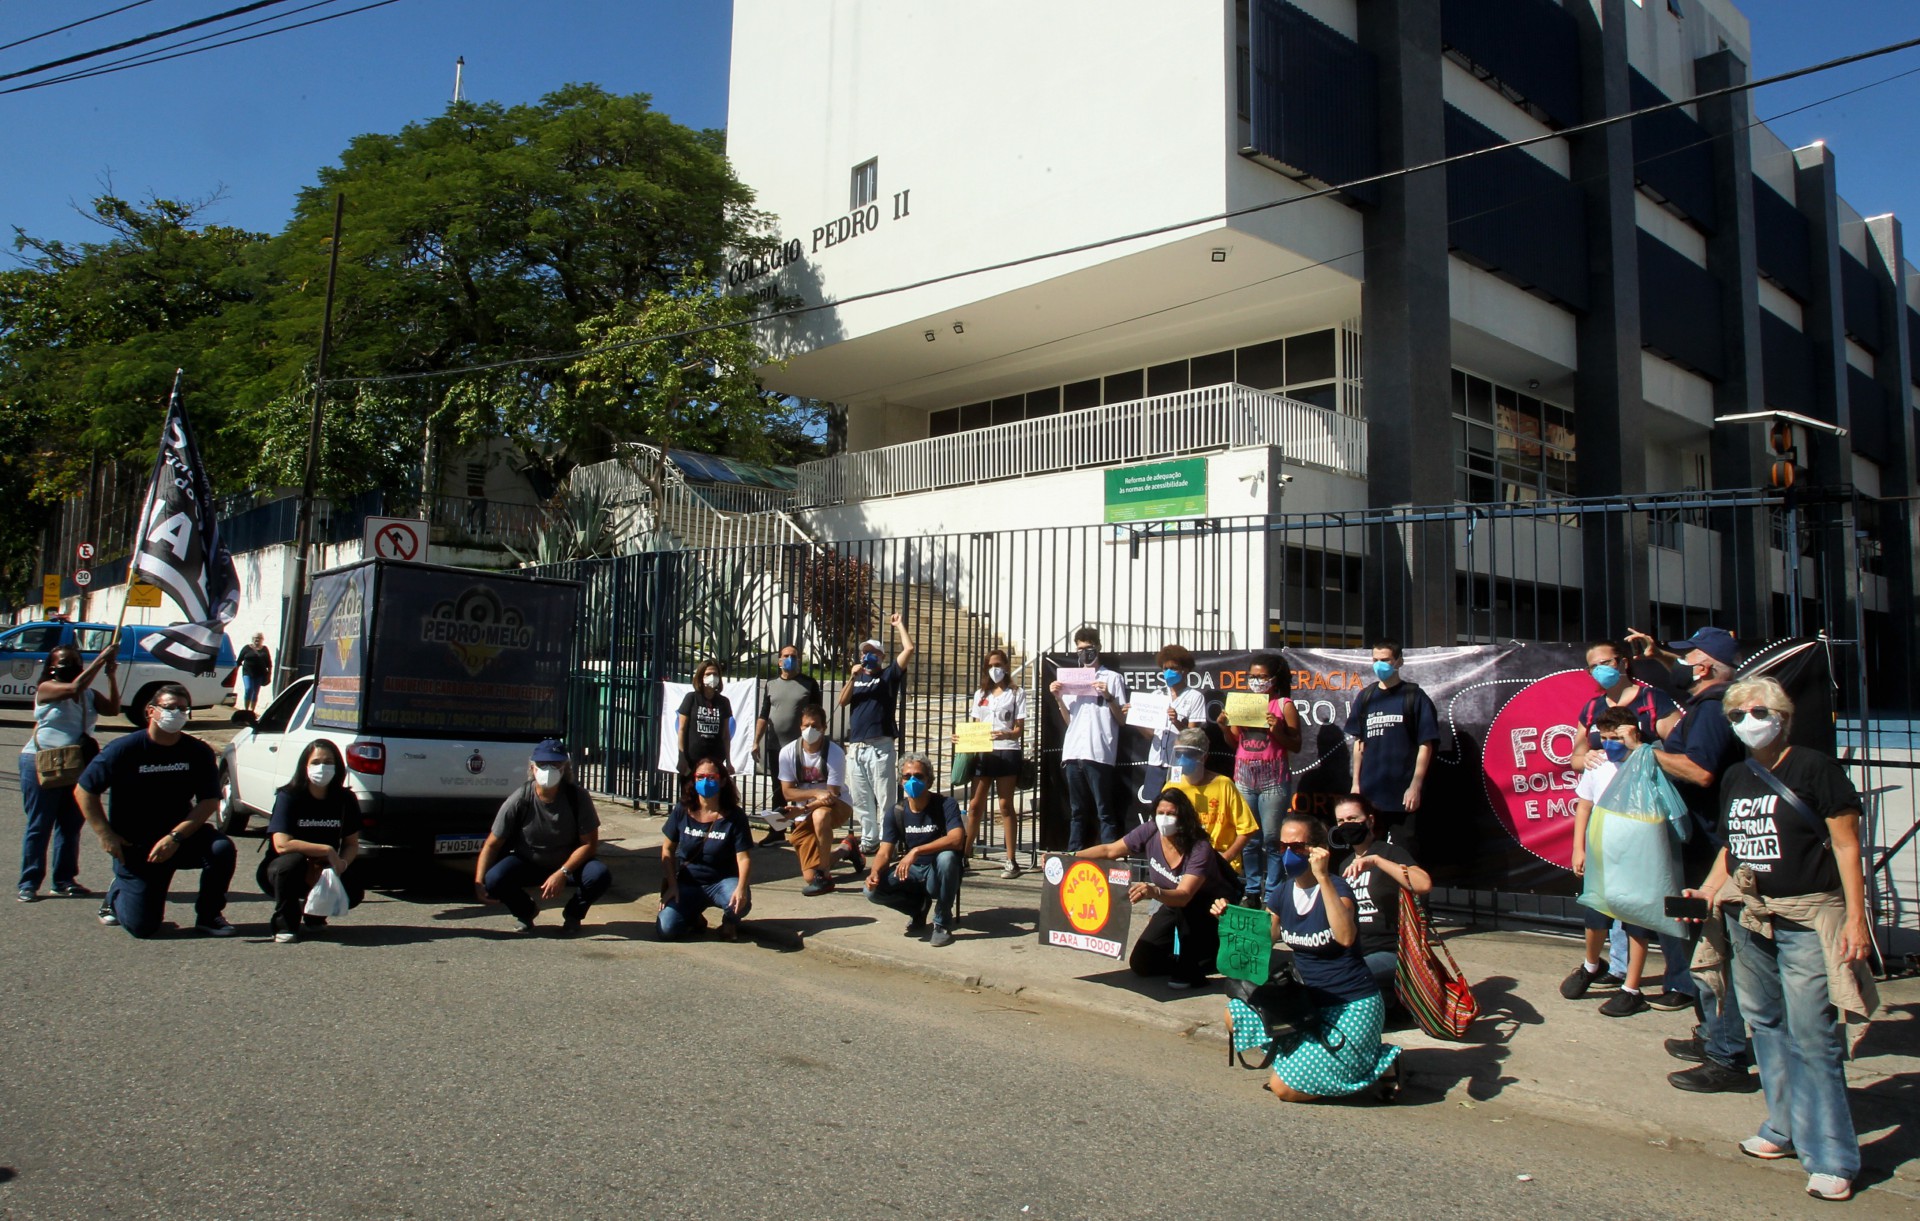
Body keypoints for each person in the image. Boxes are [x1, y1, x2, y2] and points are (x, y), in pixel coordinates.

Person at [1684, 676, 1874, 1203]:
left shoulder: (1815, 768)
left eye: (1758, 711)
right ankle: (1783, 1126)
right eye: (1737, 715)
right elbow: (1732, 847)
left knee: (1812, 1035)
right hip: (1749, 917)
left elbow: (1846, 846)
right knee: (1765, 1024)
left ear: (1783, 716)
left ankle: (1832, 1156)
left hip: (1807, 918)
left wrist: (1857, 919)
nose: (1748, 721)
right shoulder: (1736, 776)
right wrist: (1707, 891)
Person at [1633, 625, 1755, 1093]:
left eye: (1688, 658)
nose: (1680, 664)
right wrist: (1663, 656)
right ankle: (1711, 1034)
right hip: (1700, 843)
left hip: (1706, 849)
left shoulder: (1710, 710)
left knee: (1713, 949)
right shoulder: (1717, 700)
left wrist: (1644, 752)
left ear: (1703, 668)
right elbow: (1688, 675)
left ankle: (1726, 1053)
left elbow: (1700, 770)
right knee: (1698, 942)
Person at [1216, 814, 1400, 1103]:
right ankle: (1308, 1060)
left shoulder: (1337, 888)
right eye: (1283, 846)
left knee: (1283, 1089)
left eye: (1298, 846)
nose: (1288, 854)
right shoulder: (1282, 892)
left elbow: (1345, 936)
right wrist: (1230, 918)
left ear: (1318, 849)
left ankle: (1379, 1061)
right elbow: (1262, 940)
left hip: (1349, 1003)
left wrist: (1323, 877)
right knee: (1235, 1014)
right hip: (1305, 1003)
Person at [74, 684, 235, 938]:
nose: (177, 713)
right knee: (143, 927)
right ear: (151, 711)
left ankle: (209, 915)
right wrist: (105, 834)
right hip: (136, 845)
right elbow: (84, 791)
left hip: (178, 837)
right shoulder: (124, 749)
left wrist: (175, 837)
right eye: (170, 707)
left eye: (183, 709)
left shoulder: (198, 752)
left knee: (221, 849)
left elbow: (208, 800)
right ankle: (117, 894)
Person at [1079, 788, 1232, 989]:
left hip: (1206, 907)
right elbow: (1110, 850)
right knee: (1142, 963)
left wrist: (1153, 891)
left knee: (1189, 961)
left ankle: (1195, 964)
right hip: (1171, 902)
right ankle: (1189, 961)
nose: (1164, 818)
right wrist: (1068, 857)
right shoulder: (1150, 830)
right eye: (1161, 813)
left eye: (1171, 814)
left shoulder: (1199, 847)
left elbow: (1185, 895)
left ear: (1183, 817)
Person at [17, 641, 120, 903]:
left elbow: (113, 709)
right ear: (51, 667)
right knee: (40, 825)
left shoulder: (89, 694)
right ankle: (29, 882)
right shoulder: (47, 688)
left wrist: (111, 676)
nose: (70, 666)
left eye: (75, 662)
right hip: (42, 761)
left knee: (71, 825)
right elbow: (73, 688)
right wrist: (101, 659)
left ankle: (64, 880)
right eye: (64, 662)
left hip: (76, 762)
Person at [476, 740, 610, 935]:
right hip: (529, 862)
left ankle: (573, 915)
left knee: (599, 875)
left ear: (564, 768)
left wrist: (562, 872)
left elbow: (589, 844)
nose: (548, 770)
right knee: (494, 879)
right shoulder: (520, 799)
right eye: (542, 764)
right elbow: (492, 845)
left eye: (555, 764)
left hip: (568, 865)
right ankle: (526, 912)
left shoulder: (578, 797)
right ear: (533, 767)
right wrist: (479, 882)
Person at [261, 739, 363, 944]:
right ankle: (285, 924)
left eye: (328, 762)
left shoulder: (346, 799)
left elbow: (351, 843)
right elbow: (282, 844)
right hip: (285, 868)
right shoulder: (289, 796)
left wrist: (341, 864)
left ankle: (315, 915)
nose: (322, 768)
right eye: (316, 762)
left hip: (325, 867)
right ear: (305, 766)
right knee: (292, 864)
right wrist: (326, 850)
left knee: (353, 887)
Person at [1219, 652, 1301, 905]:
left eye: (1262, 677)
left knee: (1272, 839)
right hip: (1245, 778)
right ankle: (1253, 890)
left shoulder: (1284, 705)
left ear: (1275, 679)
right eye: (1252, 677)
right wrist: (1224, 726)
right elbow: (1234, 742)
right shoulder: (1242, 703)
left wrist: (1277, 730)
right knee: (1249, 838)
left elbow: (1296, 744)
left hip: (1273, 781)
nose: (1256, 681)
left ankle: (1274, 892)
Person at [1344, 639, 1439, 851]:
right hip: (1370, 794)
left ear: (1399, 661)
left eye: (1385, 660)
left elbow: (1426, 745)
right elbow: (1359, 744)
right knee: (1368, 851)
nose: (1379, 665)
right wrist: (1356, 784)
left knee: (1403, 852)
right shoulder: (1366, 697)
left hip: (1402, 795)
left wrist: (1415, 786)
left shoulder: (1414, 696)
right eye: (1375, 660)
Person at [1331, 794, 1431, 994]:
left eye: (1352, 818)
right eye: (1341, 821)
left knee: (1348, 976)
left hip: (1391, 950)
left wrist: (1376, 861)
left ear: (1369, 820)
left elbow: (1424, 883)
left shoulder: (1389, 853)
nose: (1346, 824)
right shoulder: (1345, 865)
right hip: (1357, 950)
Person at [865, 754, 964, 947]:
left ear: (929, 780)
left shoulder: (945, 805)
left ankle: (942, 923)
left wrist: (916, 850)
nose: (912, 781)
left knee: (947, 858)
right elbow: (884, 851)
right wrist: (874, 873)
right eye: (907, 776)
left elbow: (957, 839)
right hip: (911, 872)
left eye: (918, 776)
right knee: (872, 891)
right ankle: (917, 908)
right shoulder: (896, 812)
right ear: (901, 781)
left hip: (937, 872)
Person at [839, 612, 915, 857]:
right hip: (857, 746)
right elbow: (842, 701)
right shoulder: (858, 678)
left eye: (873, 652)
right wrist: (852, 677)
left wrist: (899, 625)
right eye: (865, 652)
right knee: (860, 798)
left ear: (881, 657)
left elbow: (909, 649)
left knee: (885, 797)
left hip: (880, 745)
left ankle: (887, 841)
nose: (867, 656)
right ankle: (869, 839)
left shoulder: (888, 675)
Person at [1050, 626, 1130, 851]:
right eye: (1080, 649)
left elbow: (1122, 720)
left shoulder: (1112, 678)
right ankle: (1073, 854)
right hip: (1074, 751)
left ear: (1098, 648)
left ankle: (1108, 855)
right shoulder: (1072, 679)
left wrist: (1108, 696)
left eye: (1089, 648)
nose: (1084, 653)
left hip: (1099, 751)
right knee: (1077, 811)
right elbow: (1069, 719)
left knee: (1104, 809)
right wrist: (1058, 698)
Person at [659, 759, 754, 940]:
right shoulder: (682, 810)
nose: (705, 782)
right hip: (689, 883)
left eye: (711, 777)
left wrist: (741, 888)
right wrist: (672, 885)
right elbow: (667, 850)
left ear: (722, 781)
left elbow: (744, 858)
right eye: (700, 777)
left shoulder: (735, 816)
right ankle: (693, 917)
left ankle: (729, 922)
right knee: (667, 928)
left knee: (738, 904)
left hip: (722, 882)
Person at [1164, 727, 1258, 902]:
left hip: (1219, 868)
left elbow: (1247, 828)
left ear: (1203, 756)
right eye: (1179, 754)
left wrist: (1225, 858)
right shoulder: (1172, 786)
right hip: (1185, 865)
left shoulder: (1223, 784)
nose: (1182, 759)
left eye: (1188, 754)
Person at [961, 648, 1026, 877]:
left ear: (1006, 666)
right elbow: (975, 725)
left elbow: (1019, 729)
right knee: (975, 805)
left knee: (1005, 805)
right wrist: (962, 738)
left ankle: (1011, 859)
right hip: (983, 751)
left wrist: (1007, 734)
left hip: (1007, 751)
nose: (994, 669)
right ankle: (965, 855)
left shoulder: (1016, 693)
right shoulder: (981, 694)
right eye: (990, 665)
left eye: (998, 665)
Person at [778, 704, 856, 896]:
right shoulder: (788, 752)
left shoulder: (834, 752)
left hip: (837, 805)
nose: (810, 730)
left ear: (824, 728)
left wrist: (805, 808)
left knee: (820, 816)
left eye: (815, 726)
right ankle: (846, 849)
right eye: (806, 725)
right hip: (806, 811)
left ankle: (825, 876)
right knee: (809, 876)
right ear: (800, 726)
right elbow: (788, 793)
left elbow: (832, 794)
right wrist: (814, 794)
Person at [754, 642, 821, 843]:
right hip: (776, 746)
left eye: (794, 656)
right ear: (779, 661)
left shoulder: (809, 684)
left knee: (802, 788)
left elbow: (817, 715)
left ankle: (801, 829)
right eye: (786, 656)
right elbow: (764, 715)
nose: (790, 659)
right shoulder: (771, 684)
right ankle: (777, 831)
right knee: (778, 788)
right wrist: (756, 741)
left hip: (801, 747)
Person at [1138, 643, 1209, 807]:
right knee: (1153, 806)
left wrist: (1176, 721)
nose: (1168, 672)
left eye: (1173, 668)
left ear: (1185, 670)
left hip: (1179, 763)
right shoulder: (1157, 695)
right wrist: (1135, 719)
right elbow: (1149, 735)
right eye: (1165, 668)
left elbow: (1193, 737)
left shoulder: (1195, 697)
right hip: (1156, 761)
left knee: (1178, 806)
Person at [677, 658, 735, 776]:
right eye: (708, 674)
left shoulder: (724, 702)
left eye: (715, 674)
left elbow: (725, 734)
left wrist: (729, 761)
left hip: (716, 761)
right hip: (692, 761)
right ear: (700, 677)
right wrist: (681, 757)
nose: (712, 677)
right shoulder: (691, 698)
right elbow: (682, 729)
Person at [235, 632, 272, 713]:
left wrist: (269, 675)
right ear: (252, 639)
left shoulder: (265, 649)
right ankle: (246, 710)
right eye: (255, 638)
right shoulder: (247, 648)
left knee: (255, 692)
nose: (257, 639)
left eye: (259, 638)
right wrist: (235, 671)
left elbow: (269, 664)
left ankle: (252, 711)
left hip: (259, 674)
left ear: (262, 640)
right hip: (247, 673)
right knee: (248, 689)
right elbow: (239, 661)